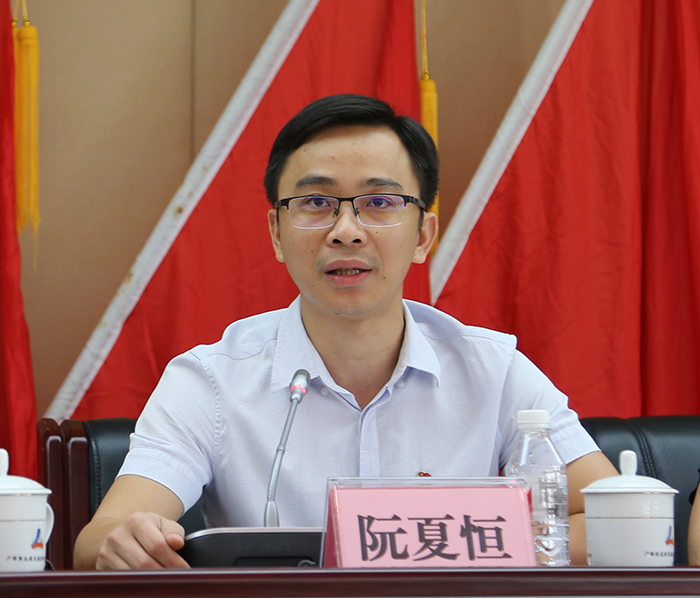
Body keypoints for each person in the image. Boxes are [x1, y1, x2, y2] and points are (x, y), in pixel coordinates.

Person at [73, 94, 617, 570]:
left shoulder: (492, 371)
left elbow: (615, 518)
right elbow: (100, 540)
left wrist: (467, 544)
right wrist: (127, 544)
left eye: (380, 203)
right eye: (316, 203)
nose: (346, 231)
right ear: (277, 233)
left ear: (423, 235)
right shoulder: (211, 382)